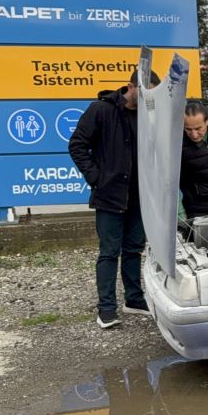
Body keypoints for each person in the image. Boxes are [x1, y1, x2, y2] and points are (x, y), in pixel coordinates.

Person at [69, 69, 160, 329]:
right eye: (145, 93)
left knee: (134, 249)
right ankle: (106, 308)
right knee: (109, 252)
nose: (148, 100)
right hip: (109, 195)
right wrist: (96, 177)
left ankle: (133, 298)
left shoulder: (149, 115)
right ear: (131, 87)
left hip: (139, 196)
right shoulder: (101, 109)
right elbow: (77, 144)